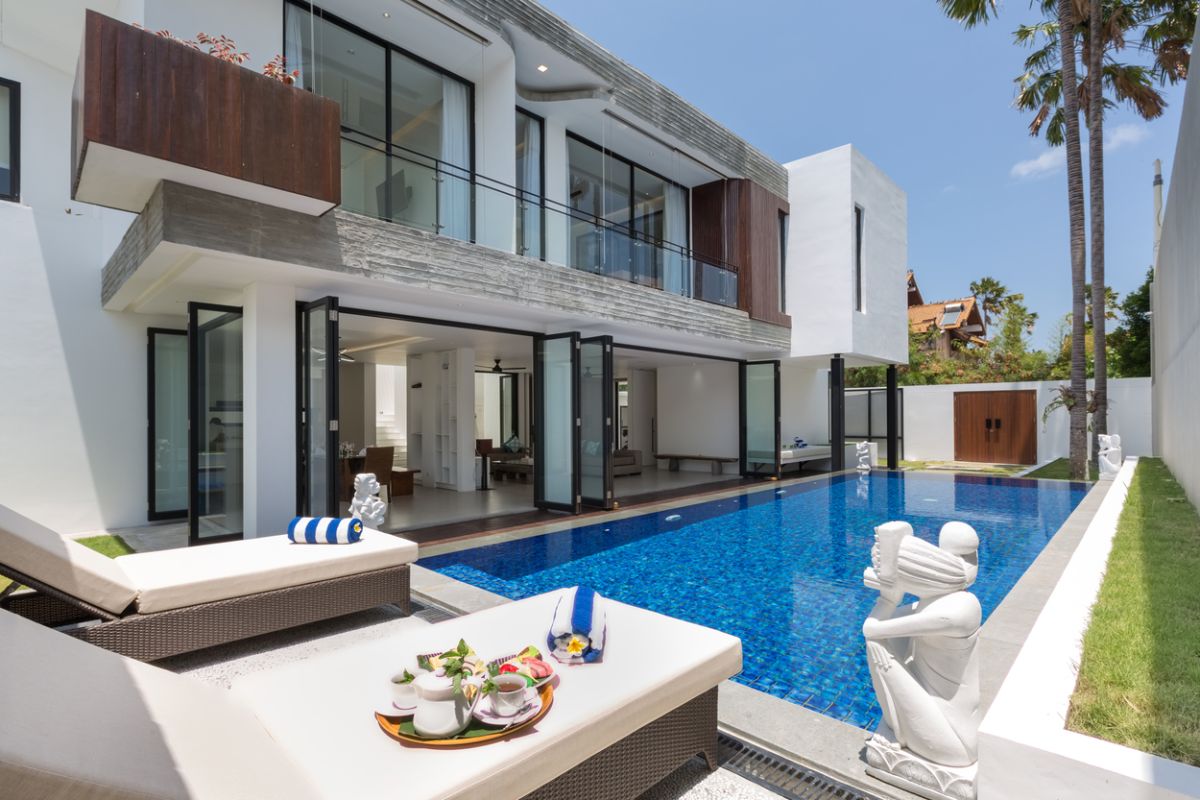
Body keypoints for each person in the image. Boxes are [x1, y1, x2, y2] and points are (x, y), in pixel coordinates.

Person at [863, 521, 981, 768]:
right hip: (952, 726)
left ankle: (898, 730)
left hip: (953, 741)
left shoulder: (956, 612)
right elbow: (895, 623)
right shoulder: (949, 601)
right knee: (889, 640)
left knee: (875, 645)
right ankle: (902, 726)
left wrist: (888, 597)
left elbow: (872, 629)